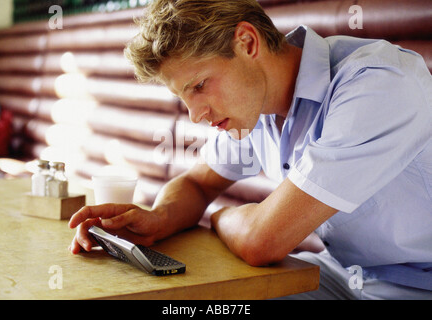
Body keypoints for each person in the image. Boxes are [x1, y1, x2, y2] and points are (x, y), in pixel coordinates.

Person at [68, 0, 432, 299]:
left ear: (247, 43)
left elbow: (262, 241)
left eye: (199, 86)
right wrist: (159, 219)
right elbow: (197, 184)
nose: (195, 116)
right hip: (342, 275)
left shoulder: (377, 84)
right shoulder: (254, 108)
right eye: (184, 97)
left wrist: (219, 217)